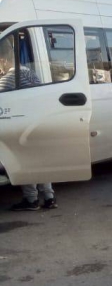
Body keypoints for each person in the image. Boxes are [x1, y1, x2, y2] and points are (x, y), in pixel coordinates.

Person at [0, 39, 58, 211]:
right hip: (38, 125)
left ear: (3, 60)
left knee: (24, 163)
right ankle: (49, 198)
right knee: (40, 162)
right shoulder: (30, 73)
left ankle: (31, 200)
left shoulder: (9, 78)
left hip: (23, 127)